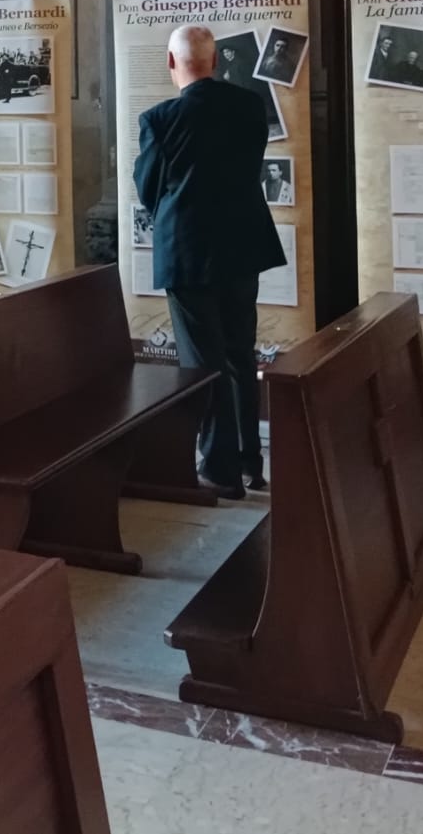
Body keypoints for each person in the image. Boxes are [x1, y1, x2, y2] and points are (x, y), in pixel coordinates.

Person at [133, 24, 286, 497]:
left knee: (203, 361)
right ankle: (249, 462)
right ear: (216, 62)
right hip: (243, 245)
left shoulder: (159, 119)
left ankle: (219, 470)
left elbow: (148, 188)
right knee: (240, 353)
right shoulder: (250, 106)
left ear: (170, 62)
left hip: (188, 251)